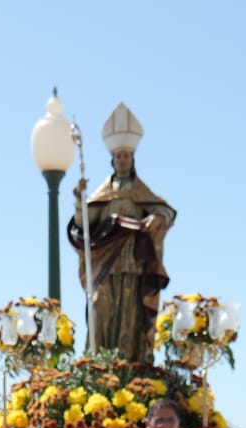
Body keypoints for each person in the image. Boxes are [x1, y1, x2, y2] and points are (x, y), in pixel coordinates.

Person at [68, 103, 175, 363]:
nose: (122, 160)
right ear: (113, 160)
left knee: (132, 311)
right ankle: (100, 362)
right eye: (118, 156)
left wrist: (156, 219)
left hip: (135, 263)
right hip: (107, 262)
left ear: (132, 159)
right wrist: (80, 200)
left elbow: (166, 212)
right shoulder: (102, 195)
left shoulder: (142, 193)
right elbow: (84, 226)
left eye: (126, 156)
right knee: (101, 307)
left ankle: (132, 362)